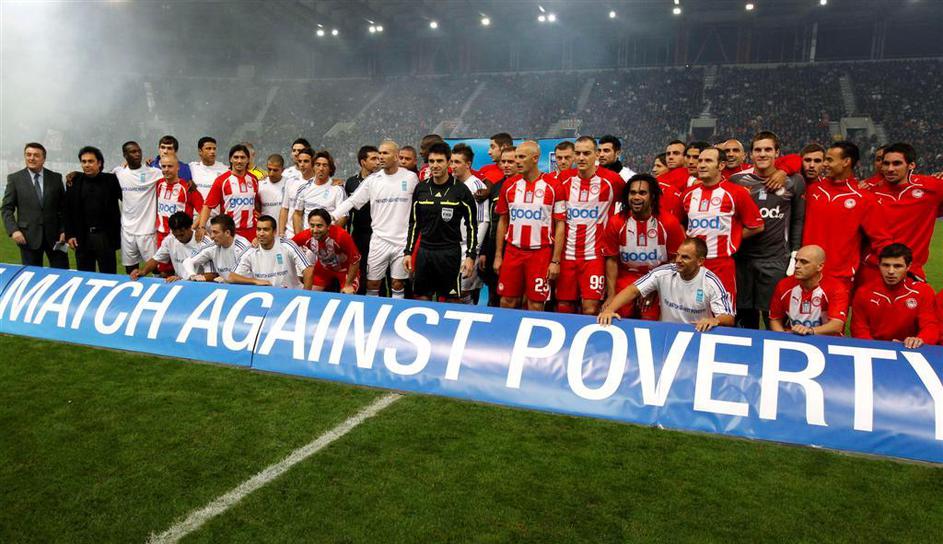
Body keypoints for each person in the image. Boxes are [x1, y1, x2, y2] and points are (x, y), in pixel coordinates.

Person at [730, 131, 806, 329]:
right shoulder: (737, 181)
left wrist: (795, 253)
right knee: (745, 317)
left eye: (768, 149)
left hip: (775, 259)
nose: (762, 154)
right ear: (751, 154)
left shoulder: (794, 181)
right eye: (758, 150)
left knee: (774, 317)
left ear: (777, 153)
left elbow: (797, 220)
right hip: (743, 260)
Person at [331, 140, 419, 299]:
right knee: (372, 284)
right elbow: (352, 201)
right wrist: (331, 217)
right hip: (379, 240)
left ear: (396, 156)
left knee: (397, 284)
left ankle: (394, 311)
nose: (381, 157)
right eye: (379, 153)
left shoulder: (411, 178)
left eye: (385, 153)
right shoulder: (373, 180)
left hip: (402, 241)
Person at [801, 141, 891, 294]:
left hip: (840, 278)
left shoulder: (864, 198)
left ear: (846, 162)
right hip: (806, 273)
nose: (825, 164)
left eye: (829, 160)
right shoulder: (812, 190)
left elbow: (881, 239)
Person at [681, 146, 764, 303]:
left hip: (721, 264)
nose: (701, 165)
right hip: (692, 264)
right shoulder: (688, 194)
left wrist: (733, 238)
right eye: (700, 161)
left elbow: (757, 226)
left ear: (721, 165)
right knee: (691, 307)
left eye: (708, 161)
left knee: (722, 310)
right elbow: (680, 223)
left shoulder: (737, 193)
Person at [598, 237, 734, 332]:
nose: (678, 260)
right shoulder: (664, 272)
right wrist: (610, 309)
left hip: (697, 334)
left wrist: (715, 320)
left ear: (700, 261)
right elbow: (633, 290)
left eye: (685, 257)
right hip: (666, 334)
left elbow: (728, 317)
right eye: (678, 255)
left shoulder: (711, 282)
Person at [493, 141, 565, 311]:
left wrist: (555, 260)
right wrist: (498, 255)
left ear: (535, 158)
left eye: (521, 157)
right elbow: (503, 221)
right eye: (516, 157)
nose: (517, 161)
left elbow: (560, 225)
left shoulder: (553, 186)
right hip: (512, 252)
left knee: (536, 304)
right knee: (506, 301)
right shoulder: (509, 185)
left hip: (540, 254)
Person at [555, 136, 624, 315]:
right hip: (567, 255)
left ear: (596, 155)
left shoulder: (612, 180)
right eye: (578, 153)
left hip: (595, 256)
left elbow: (631, 203)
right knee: (563, 307)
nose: (581, 158)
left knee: (590, 308)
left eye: (586, 153)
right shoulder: (563, 179)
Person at [601, 173, 684, 319]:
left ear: (653, 196)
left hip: (658, 278)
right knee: (618, 313)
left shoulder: (669, 222)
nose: (636, 197)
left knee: (649, 316)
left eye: (642, 193)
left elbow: (675, 260)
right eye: (632, 193)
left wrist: (655, 287)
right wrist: (611, 295)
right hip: (626, 276)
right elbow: (612, 260)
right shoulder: (616, 222)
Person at [859, 142, 943, 285]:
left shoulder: (931, 188)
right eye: (886, 164)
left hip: (910, 272)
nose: (890, 169)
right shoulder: (867, 193)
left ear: (911, 165)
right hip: (872, 271)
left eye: (897, 163)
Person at [404, 142, 478, 302]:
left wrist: (470, 256)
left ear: (448, 162)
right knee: (422, 298)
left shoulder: (461, 190)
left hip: (449, 253)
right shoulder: (421, 189)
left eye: (439, 161)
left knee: (451, 300)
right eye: (431, 161)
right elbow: (414, 224)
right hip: (425, 252)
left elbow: (472, 226)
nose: (435, 165)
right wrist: (408, 252)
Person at [851, 244, 938, 348]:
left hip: (909, 348)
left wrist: (919, 340)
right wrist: (878, 348)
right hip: (874, 348)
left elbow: (930, 325)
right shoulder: (863, 292)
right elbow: (859, 329)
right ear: (879, 265)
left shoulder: (923, 292)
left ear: (908, 266)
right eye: (886, 265)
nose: (891, 271)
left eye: (897, 266)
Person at [2, 142, 68, 268]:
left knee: (62, 273)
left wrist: (64, 230)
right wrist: (14, 231)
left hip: (56, 238)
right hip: (28, 237)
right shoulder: (15, 179)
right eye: (28, 154)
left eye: (36, 155)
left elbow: (64, 208)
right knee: (31, 274)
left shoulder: (55, 178)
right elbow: (6, 208)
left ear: (44, 159)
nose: (31, 158)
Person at [65, 146, 122, 274]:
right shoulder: (74, 181)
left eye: (90, 161)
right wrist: (70, 234)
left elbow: (126, 197)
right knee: (84, 276)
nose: (87, 165)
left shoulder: (111, 180)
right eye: (84, 161)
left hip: (105, 237)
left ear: (99, 163)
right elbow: (68, 210)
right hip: (82, 237)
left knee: (108, 276)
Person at [768, 245, 848, 336]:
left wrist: (809, 331)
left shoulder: (835, 288)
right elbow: (775, 319)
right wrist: (784, 337)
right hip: (794, 337)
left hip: (826, 340)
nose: (797, 266)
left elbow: (837, 325)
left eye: (804, 262)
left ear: (820, 267)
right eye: (796, 261)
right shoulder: (784, 285)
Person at [450, 143, 490, 303]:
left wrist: (472, 252)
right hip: (450, 247)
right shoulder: (450, 184)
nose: (453, 166)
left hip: (466, 248)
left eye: (457, 162)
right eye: (451, 162)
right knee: (452, 293)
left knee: (463, 293)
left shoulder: (477, 186)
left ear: (468, 164)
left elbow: (483, 222)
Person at [115, 141, 163, 274]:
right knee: (130, 269)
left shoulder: (154, 172)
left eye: (139, 151)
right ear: (125, 155)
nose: (137, 154)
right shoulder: (119, 173)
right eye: (133, 152)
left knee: (156, 269)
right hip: (127, 231)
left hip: (148, 231)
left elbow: (174, 175)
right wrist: (76, 174)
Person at [478, 146, 517, 306]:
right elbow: (491, 222)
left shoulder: (528, 188)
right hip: (495, 248)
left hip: (516, 249)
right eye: (503, 161)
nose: (506, 165)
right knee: (494, 294)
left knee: (516, 297)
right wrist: (484, 251)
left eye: (510, 161)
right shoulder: (495, 188)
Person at [197, 144, 260, 242]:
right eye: (236, 157)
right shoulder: (221, 180)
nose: (239, 161)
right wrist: (201, 227)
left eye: (243, 157)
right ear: (230, 159)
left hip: (251, 232)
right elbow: (208, 205)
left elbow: (256, 205)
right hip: (229, 232)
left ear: (248, 160)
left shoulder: (254, 179)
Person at [228, 215, 312, 289]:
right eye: (258, 229)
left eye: (266, 229)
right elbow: (231, 277)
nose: (261, 233)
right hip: (267, 297)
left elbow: (308, 270)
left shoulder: (287, 245)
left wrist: (305, 295)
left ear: (274, 232)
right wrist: (255, 281)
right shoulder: (250, 251)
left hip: (291, 295)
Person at [293, 209, 360, 293]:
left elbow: (355, 261)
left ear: (328, 226)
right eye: (312, 225)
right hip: (323, 269)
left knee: (347, 295)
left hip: (345, 270)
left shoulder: (341, 236)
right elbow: (287, 247)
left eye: (319, 226)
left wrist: (348, 284)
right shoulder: (306, 235)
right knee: (310, 295)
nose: (315, 230)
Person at [131, 212, 211, 282]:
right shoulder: (170, 240)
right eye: (176, 235)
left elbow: (212, 275)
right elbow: (156, 259)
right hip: (179, 282)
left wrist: (187, 280)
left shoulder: (204, 243)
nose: (179, 238)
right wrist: (143, 271)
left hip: (199, 285)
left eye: (182, 235)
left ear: (190, 227)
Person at [343, 145, 380, 295]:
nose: (377, 162)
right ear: (363, 162)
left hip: (378, 233)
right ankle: (360, 299)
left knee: (378, 271)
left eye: (378, 158)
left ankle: (382, 299)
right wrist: (346, 236)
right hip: (359, 234)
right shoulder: (351, 182)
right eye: (373, 159)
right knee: (360, 268)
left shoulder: (381, 181)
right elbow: (347, 211)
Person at [183, 214, 250, 282]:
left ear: (227, 233)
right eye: (211, 232)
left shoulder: (243, 247)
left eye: (215, 232)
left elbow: (236, 277)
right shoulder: (213, 246)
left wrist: (222, 279)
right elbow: (188, 261)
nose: (211, 236)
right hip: (225, 286)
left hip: (245, 287)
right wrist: (193, 275)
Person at [156, 154, 203, 251]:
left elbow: (203, 210)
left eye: (170, 166)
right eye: (163, 166)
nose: (166, 169)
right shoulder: (159, 184)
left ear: (178, 167)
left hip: (180, 236)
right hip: (161, 235)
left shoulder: (188, 187)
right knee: (160, 261)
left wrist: (192, 228)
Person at [293, 150, 345, 234]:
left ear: (330, 169)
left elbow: (343, 217)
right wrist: (300, 237)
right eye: (318, 165)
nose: (321, 168)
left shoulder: (338, 189)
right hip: (308, 238)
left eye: (325, 165)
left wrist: (329, 236)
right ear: (313, 167)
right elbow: (297, 214)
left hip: (328, 238)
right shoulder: (304, 188)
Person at [279, 146, 317, 239]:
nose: (302, 164)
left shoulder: (318, 184)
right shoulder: (290, 182)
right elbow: (284, 208)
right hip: (290, 234)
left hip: (311, 234)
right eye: (300, 161)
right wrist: (281, 233)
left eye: (306, 161)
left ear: (313, 163)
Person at [257, 154, 286, 229]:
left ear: (283, 170)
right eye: (269, 169)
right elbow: (256, 207)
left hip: (284, 230)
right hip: (265, 230)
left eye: (275, 170)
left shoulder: (289, 184)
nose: (271, 173)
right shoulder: (260, 184)